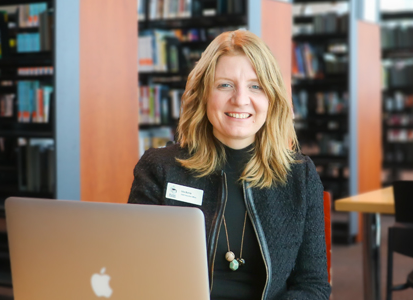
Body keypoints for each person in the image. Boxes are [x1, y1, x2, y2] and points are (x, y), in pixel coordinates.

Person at [128, 29, 331, 300]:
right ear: (203, 94)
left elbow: (314, 286)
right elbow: (136, 271)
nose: (240, 99)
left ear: (271, 98)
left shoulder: (299, 176)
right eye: (225, 85)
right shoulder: (159, 169)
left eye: (255, 86)